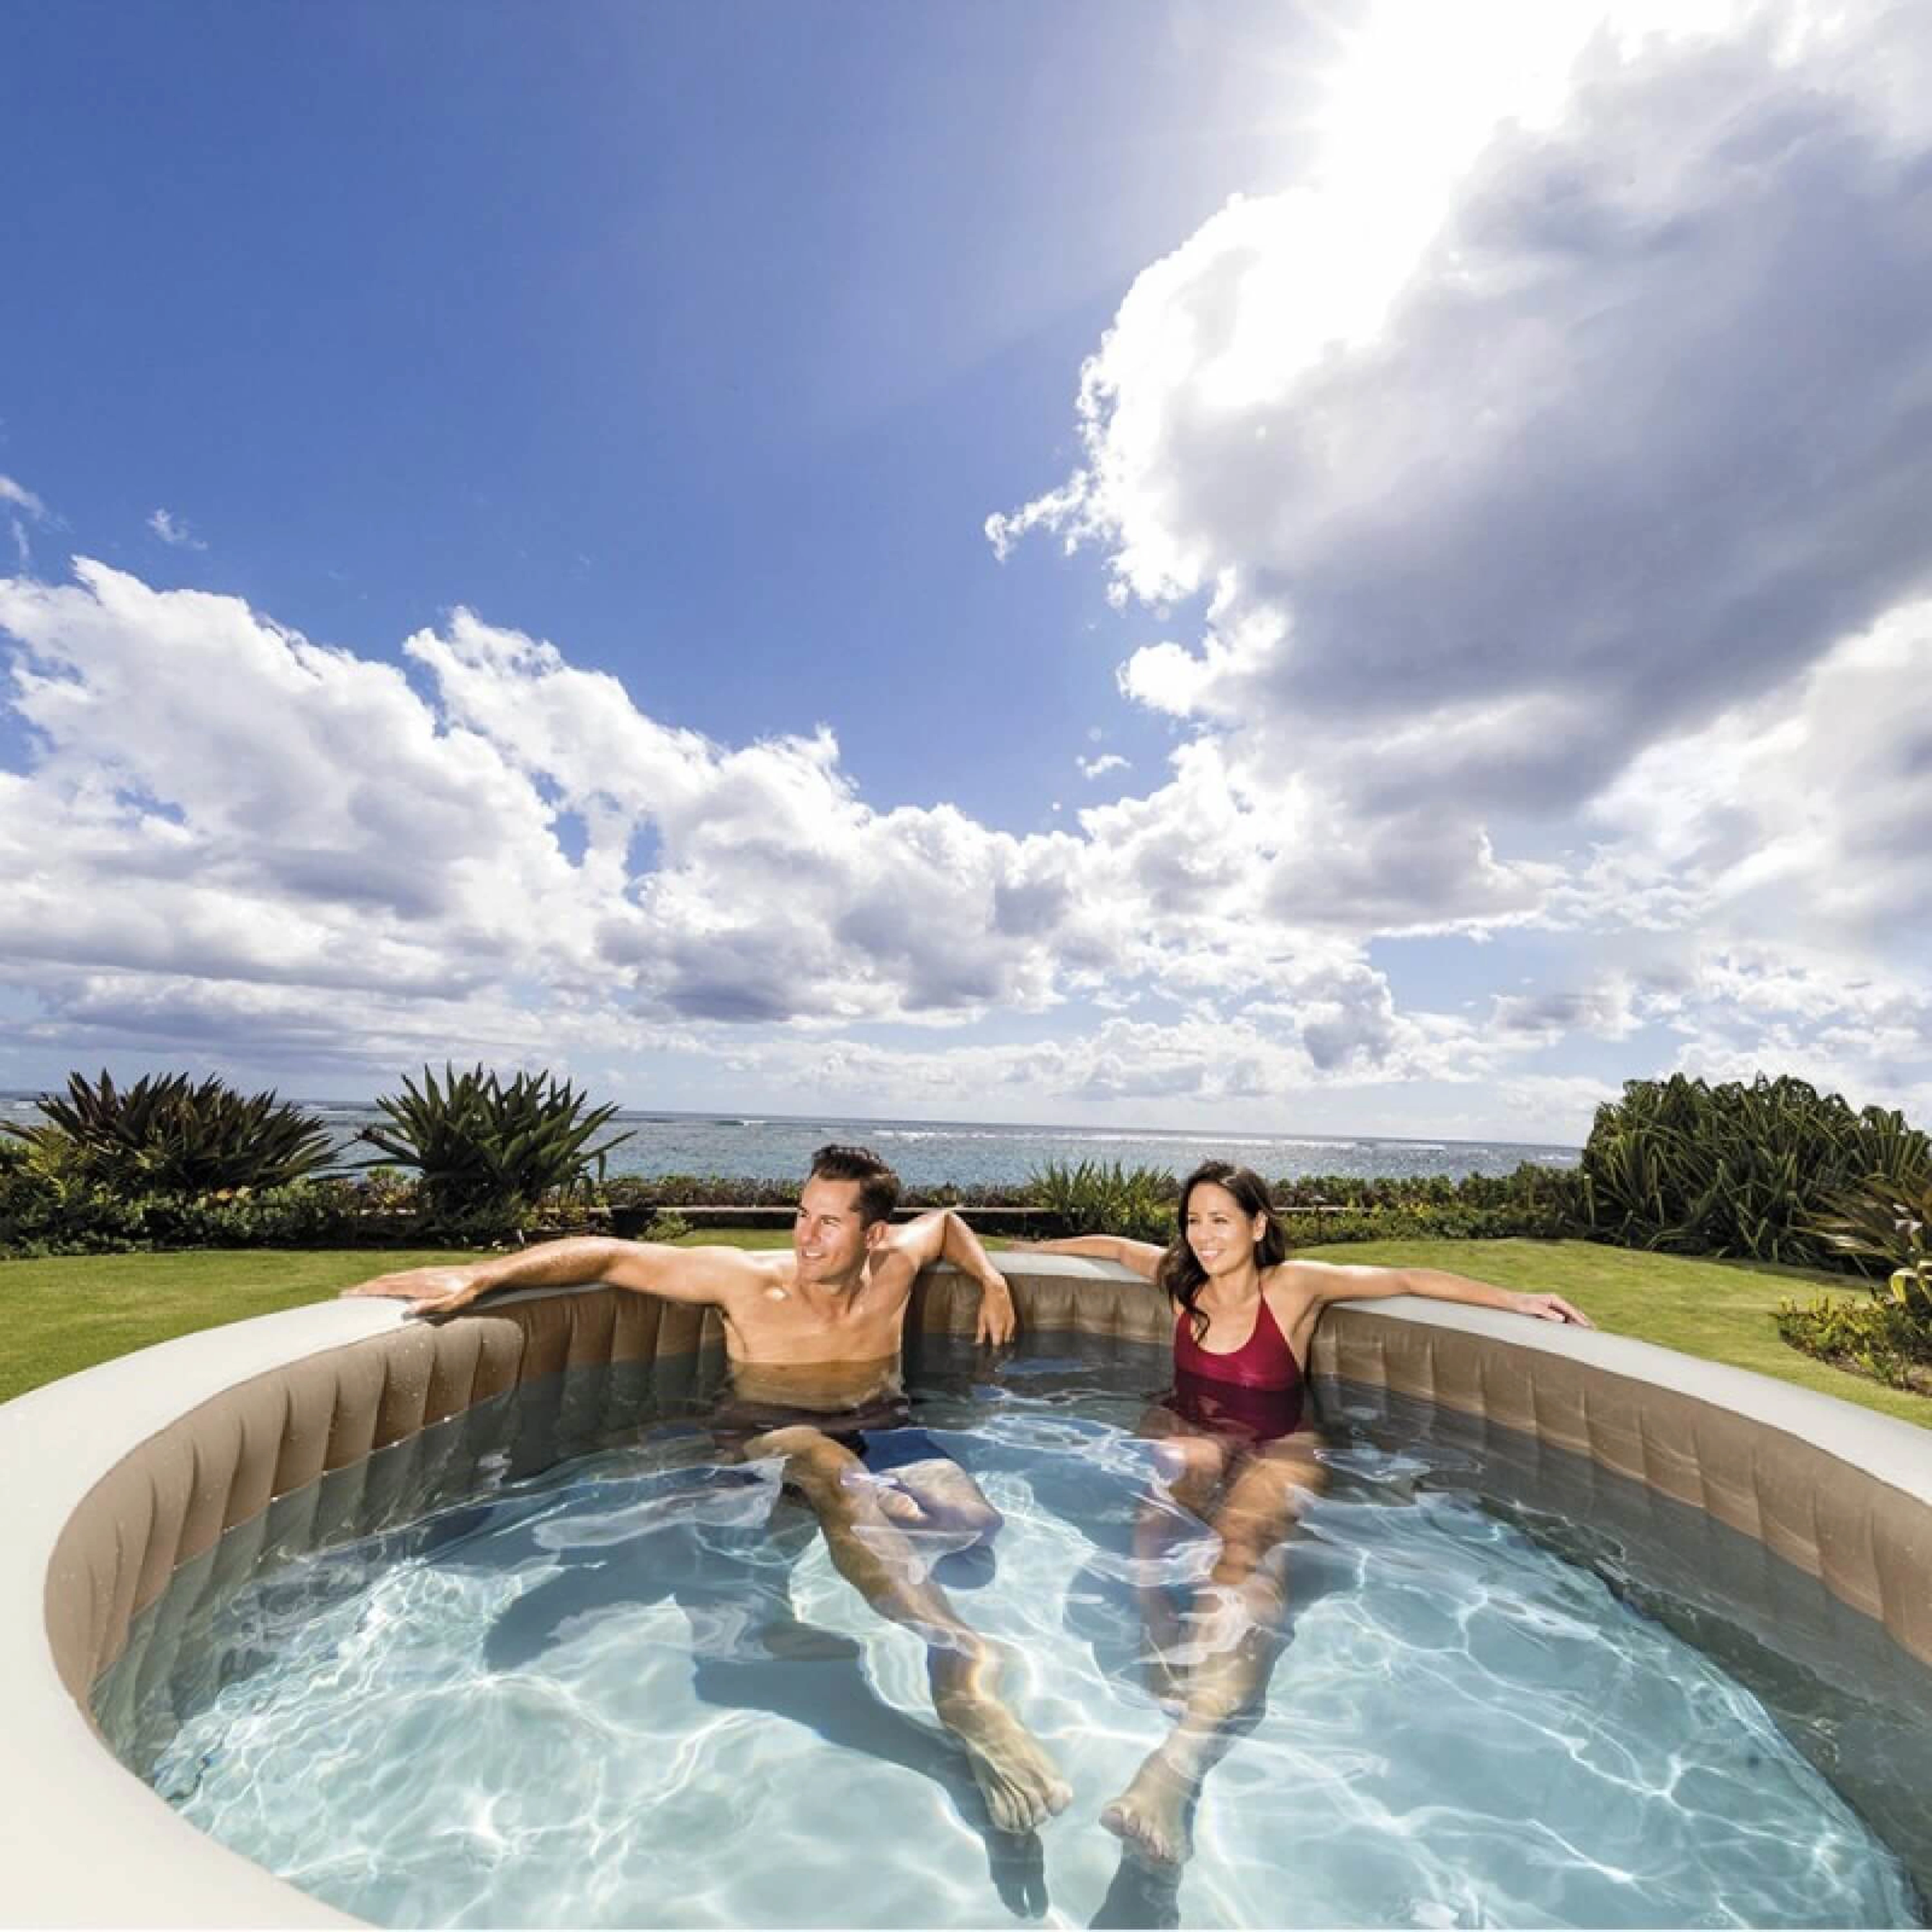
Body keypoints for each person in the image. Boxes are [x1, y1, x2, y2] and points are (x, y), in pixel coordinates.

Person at [343, 1144, 1072, 1838]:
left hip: (884, 1430)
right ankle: (959, 1671)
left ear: (874, 1234)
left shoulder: (896, 1265)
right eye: (802, 1214)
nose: (806, 1237)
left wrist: (991, 1280)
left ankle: (870, 1514)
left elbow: (945, 1224)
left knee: (974, 1522)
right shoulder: (747, 1282)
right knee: (825, 1466)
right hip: (769, 1440)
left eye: (829, 1222)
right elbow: (610, 1255)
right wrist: (485, 1277)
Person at [1026, 1160, 1592, 1867]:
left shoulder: (1293, 1287)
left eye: (1221, 1220)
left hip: (1279, 1443)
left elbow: (1405, 1280)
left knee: (1243, 1552)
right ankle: (1157, 1617)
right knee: (1163, 1499)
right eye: (1194, 1221)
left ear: (1258, 1224)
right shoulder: (1182, 1285)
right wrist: (1028, 1252)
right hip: (1197, 1430)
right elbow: (1113, 1247)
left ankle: (1173, 1765)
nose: (1204, 1236)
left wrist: (1517, 1300)